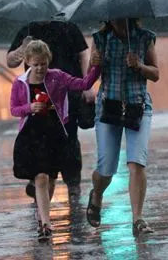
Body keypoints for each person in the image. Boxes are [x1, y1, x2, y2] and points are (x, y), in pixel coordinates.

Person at [10, 40, 100, 241]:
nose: (40, 68)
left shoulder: (57, 77)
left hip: (55, 134)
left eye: (43, 64)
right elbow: (14, 109)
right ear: (28, 63)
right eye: (36, 65)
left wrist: (96, 66)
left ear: (48, 61)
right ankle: (45, 224)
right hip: (32, 135)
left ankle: (42, 214)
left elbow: (83, 84)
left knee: (51, 179)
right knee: (40, 177)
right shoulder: (20, 83)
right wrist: (29, 108)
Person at [85, 19, 159, 236]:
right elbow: (89, 79)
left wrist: (140, 65)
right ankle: (97, 194)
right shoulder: (100, 39)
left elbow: (156, 74)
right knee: (107, 168)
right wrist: (94, 63)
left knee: (137, 163)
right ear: (108, 16)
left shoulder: (145, 38)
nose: (119, 17)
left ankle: (138, 219)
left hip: (138, 106)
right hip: (109, 107)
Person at [7, 20, 95, 198]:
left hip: (66, 92)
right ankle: (40, 180)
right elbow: (11, 60)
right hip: (38, 93)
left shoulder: (69, 26)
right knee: (39, 139)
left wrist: (87, 86)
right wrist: (23, 47)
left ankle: (72, 183)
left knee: (68, 138)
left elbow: (83, 54)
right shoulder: (29, 29)